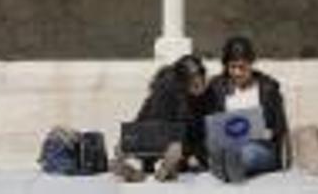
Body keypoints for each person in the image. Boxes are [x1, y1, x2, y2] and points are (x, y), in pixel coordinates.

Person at [111, 54, 209, 182]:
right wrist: (127, 141)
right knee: (124, 147)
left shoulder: (202, 95)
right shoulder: (171, 93)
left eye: (198, 77)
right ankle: (153, 170)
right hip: (166, 142)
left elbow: (194, 131)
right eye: (193, 80)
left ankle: (163, 169)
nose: (197, 82)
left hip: (180, 146)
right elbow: (144, 118)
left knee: (175, 150)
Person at [204, 36, 289, 183]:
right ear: (226, 66)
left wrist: (269, 132)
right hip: (227, 144)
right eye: (233, 67)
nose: (237, 72)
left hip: (260, 146)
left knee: (247, 154)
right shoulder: (217, 87)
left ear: (251, 64)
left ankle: (231, 166)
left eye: (242, 67)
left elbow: (280, 126)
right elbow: (209, 121)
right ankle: (225, 167)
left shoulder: (267, 88)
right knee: (220, 150)